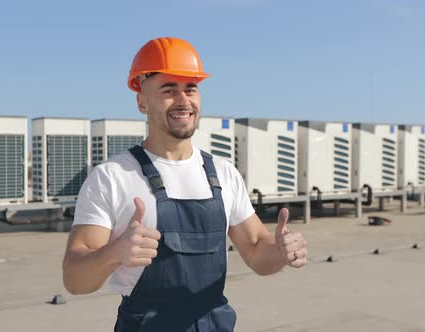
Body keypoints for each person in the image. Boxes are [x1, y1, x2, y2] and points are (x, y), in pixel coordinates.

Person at [62, 36, 308, 332]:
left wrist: (280, 252)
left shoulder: (223, 173)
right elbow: (74, 280)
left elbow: (257, 252)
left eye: (190, 89)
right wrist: (114, 253)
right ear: (142, 101)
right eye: (169, 90)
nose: (183, 100)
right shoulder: (112, 176)